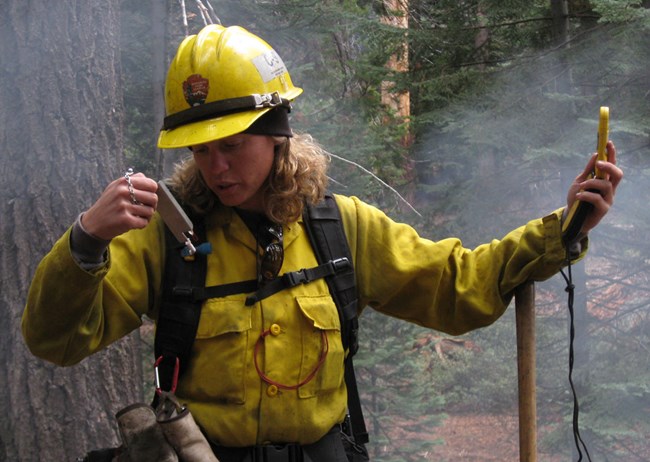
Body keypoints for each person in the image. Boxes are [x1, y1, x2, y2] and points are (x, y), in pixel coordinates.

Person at [22, 24, 623, 462]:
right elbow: (56, 341)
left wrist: (561, 229)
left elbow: (457, 286)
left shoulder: (342, 227)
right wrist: (86, 240)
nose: (215, 166)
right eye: (201, 148)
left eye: (231, 144)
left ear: (277, 134)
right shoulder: (164, 237)